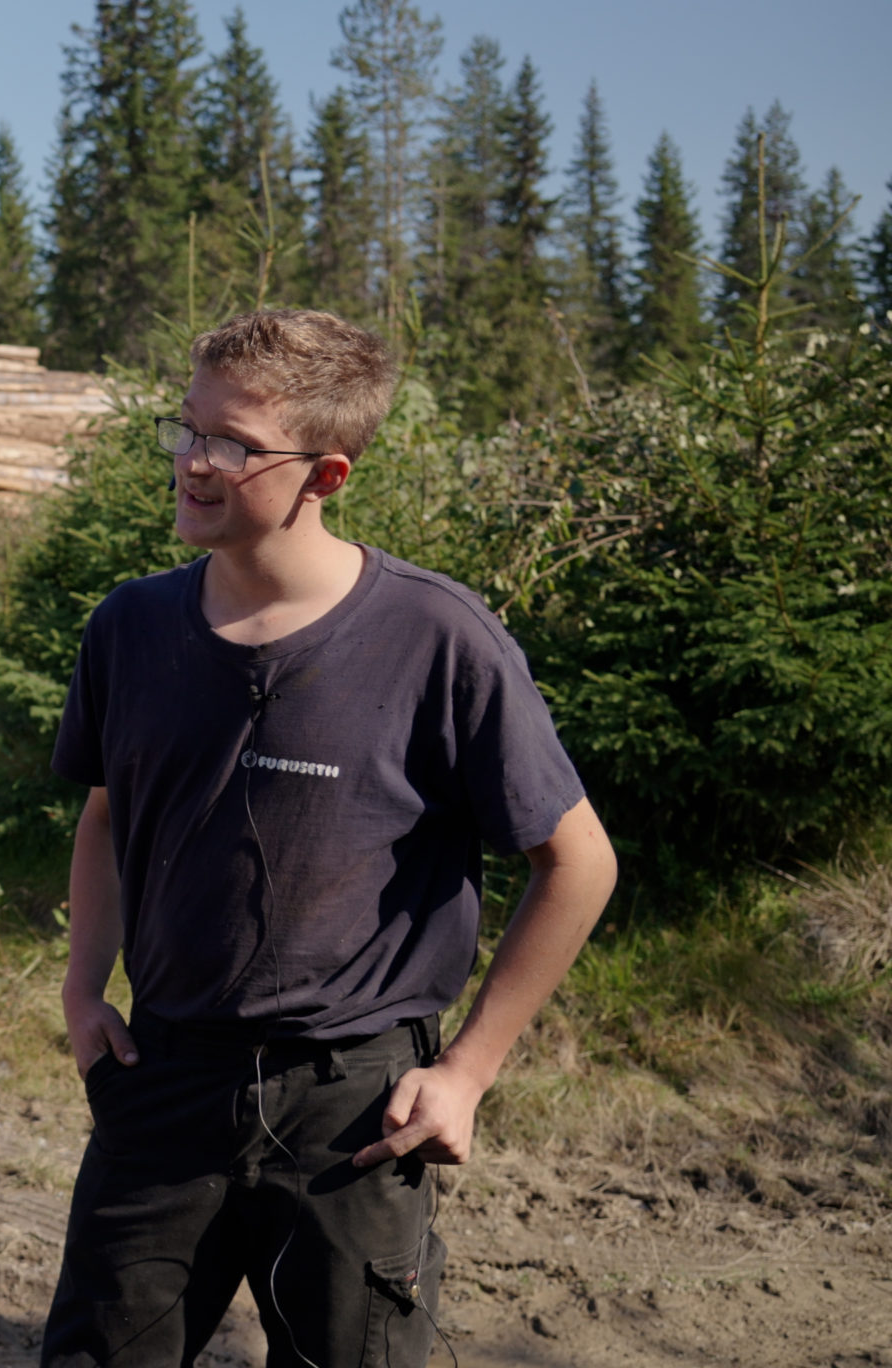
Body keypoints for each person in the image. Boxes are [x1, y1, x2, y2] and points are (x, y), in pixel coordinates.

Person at [39, 309, 618, 1367]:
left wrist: (468, 1072)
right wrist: (85, 993)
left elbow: (578, 862)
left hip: (353, 1112)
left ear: (328, 475)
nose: (193, 463)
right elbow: (107, 814)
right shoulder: (129, 627)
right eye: (187, 430)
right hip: (162, 1085)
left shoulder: (436, 637)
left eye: (234, 446)